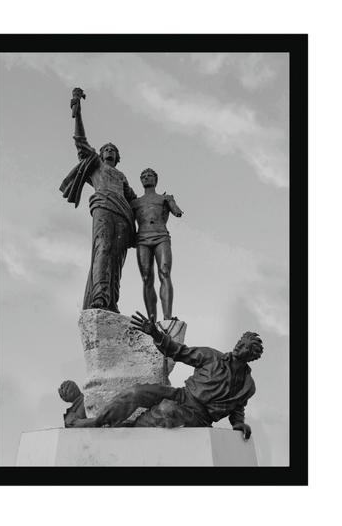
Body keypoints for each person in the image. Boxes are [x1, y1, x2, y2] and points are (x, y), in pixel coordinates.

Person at [66, 312, 264, 440]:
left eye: (245, 346)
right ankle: (99, 421)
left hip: (199, 417)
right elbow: (179, 352)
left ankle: (123, 430)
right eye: (240, 341)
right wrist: (156, 334)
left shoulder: (248, 386)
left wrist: (238, 423)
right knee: (137, 392)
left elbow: (238, 407)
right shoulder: (211, 356)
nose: (239, 346)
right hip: (181, 394)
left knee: (166, 410)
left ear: (252, 355)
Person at [59, 88, 138, 313]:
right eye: (107, 149)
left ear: (118, 157)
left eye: (113, 150)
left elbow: (135, 202)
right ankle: (100, 297)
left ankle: (111, 301)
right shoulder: (95, 165)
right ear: (101, 154)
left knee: (117, 261)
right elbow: (80, 141)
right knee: (103, 249)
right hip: (103, 207)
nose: (110, 151)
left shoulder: (122, 177)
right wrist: (78, 111)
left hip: (124, 216)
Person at [130, 169, 183, 321]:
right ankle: (151, 320)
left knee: (164, 272)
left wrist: (171, 201)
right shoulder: (136, 203)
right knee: (147, 278)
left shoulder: (164, 198)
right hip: (142, 239)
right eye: (143, 177)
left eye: (149, 176)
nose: (146, 178)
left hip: (161, 236)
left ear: (155, 179)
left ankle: (167, 316)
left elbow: (177, 212)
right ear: (141, 181)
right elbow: (127, 223)